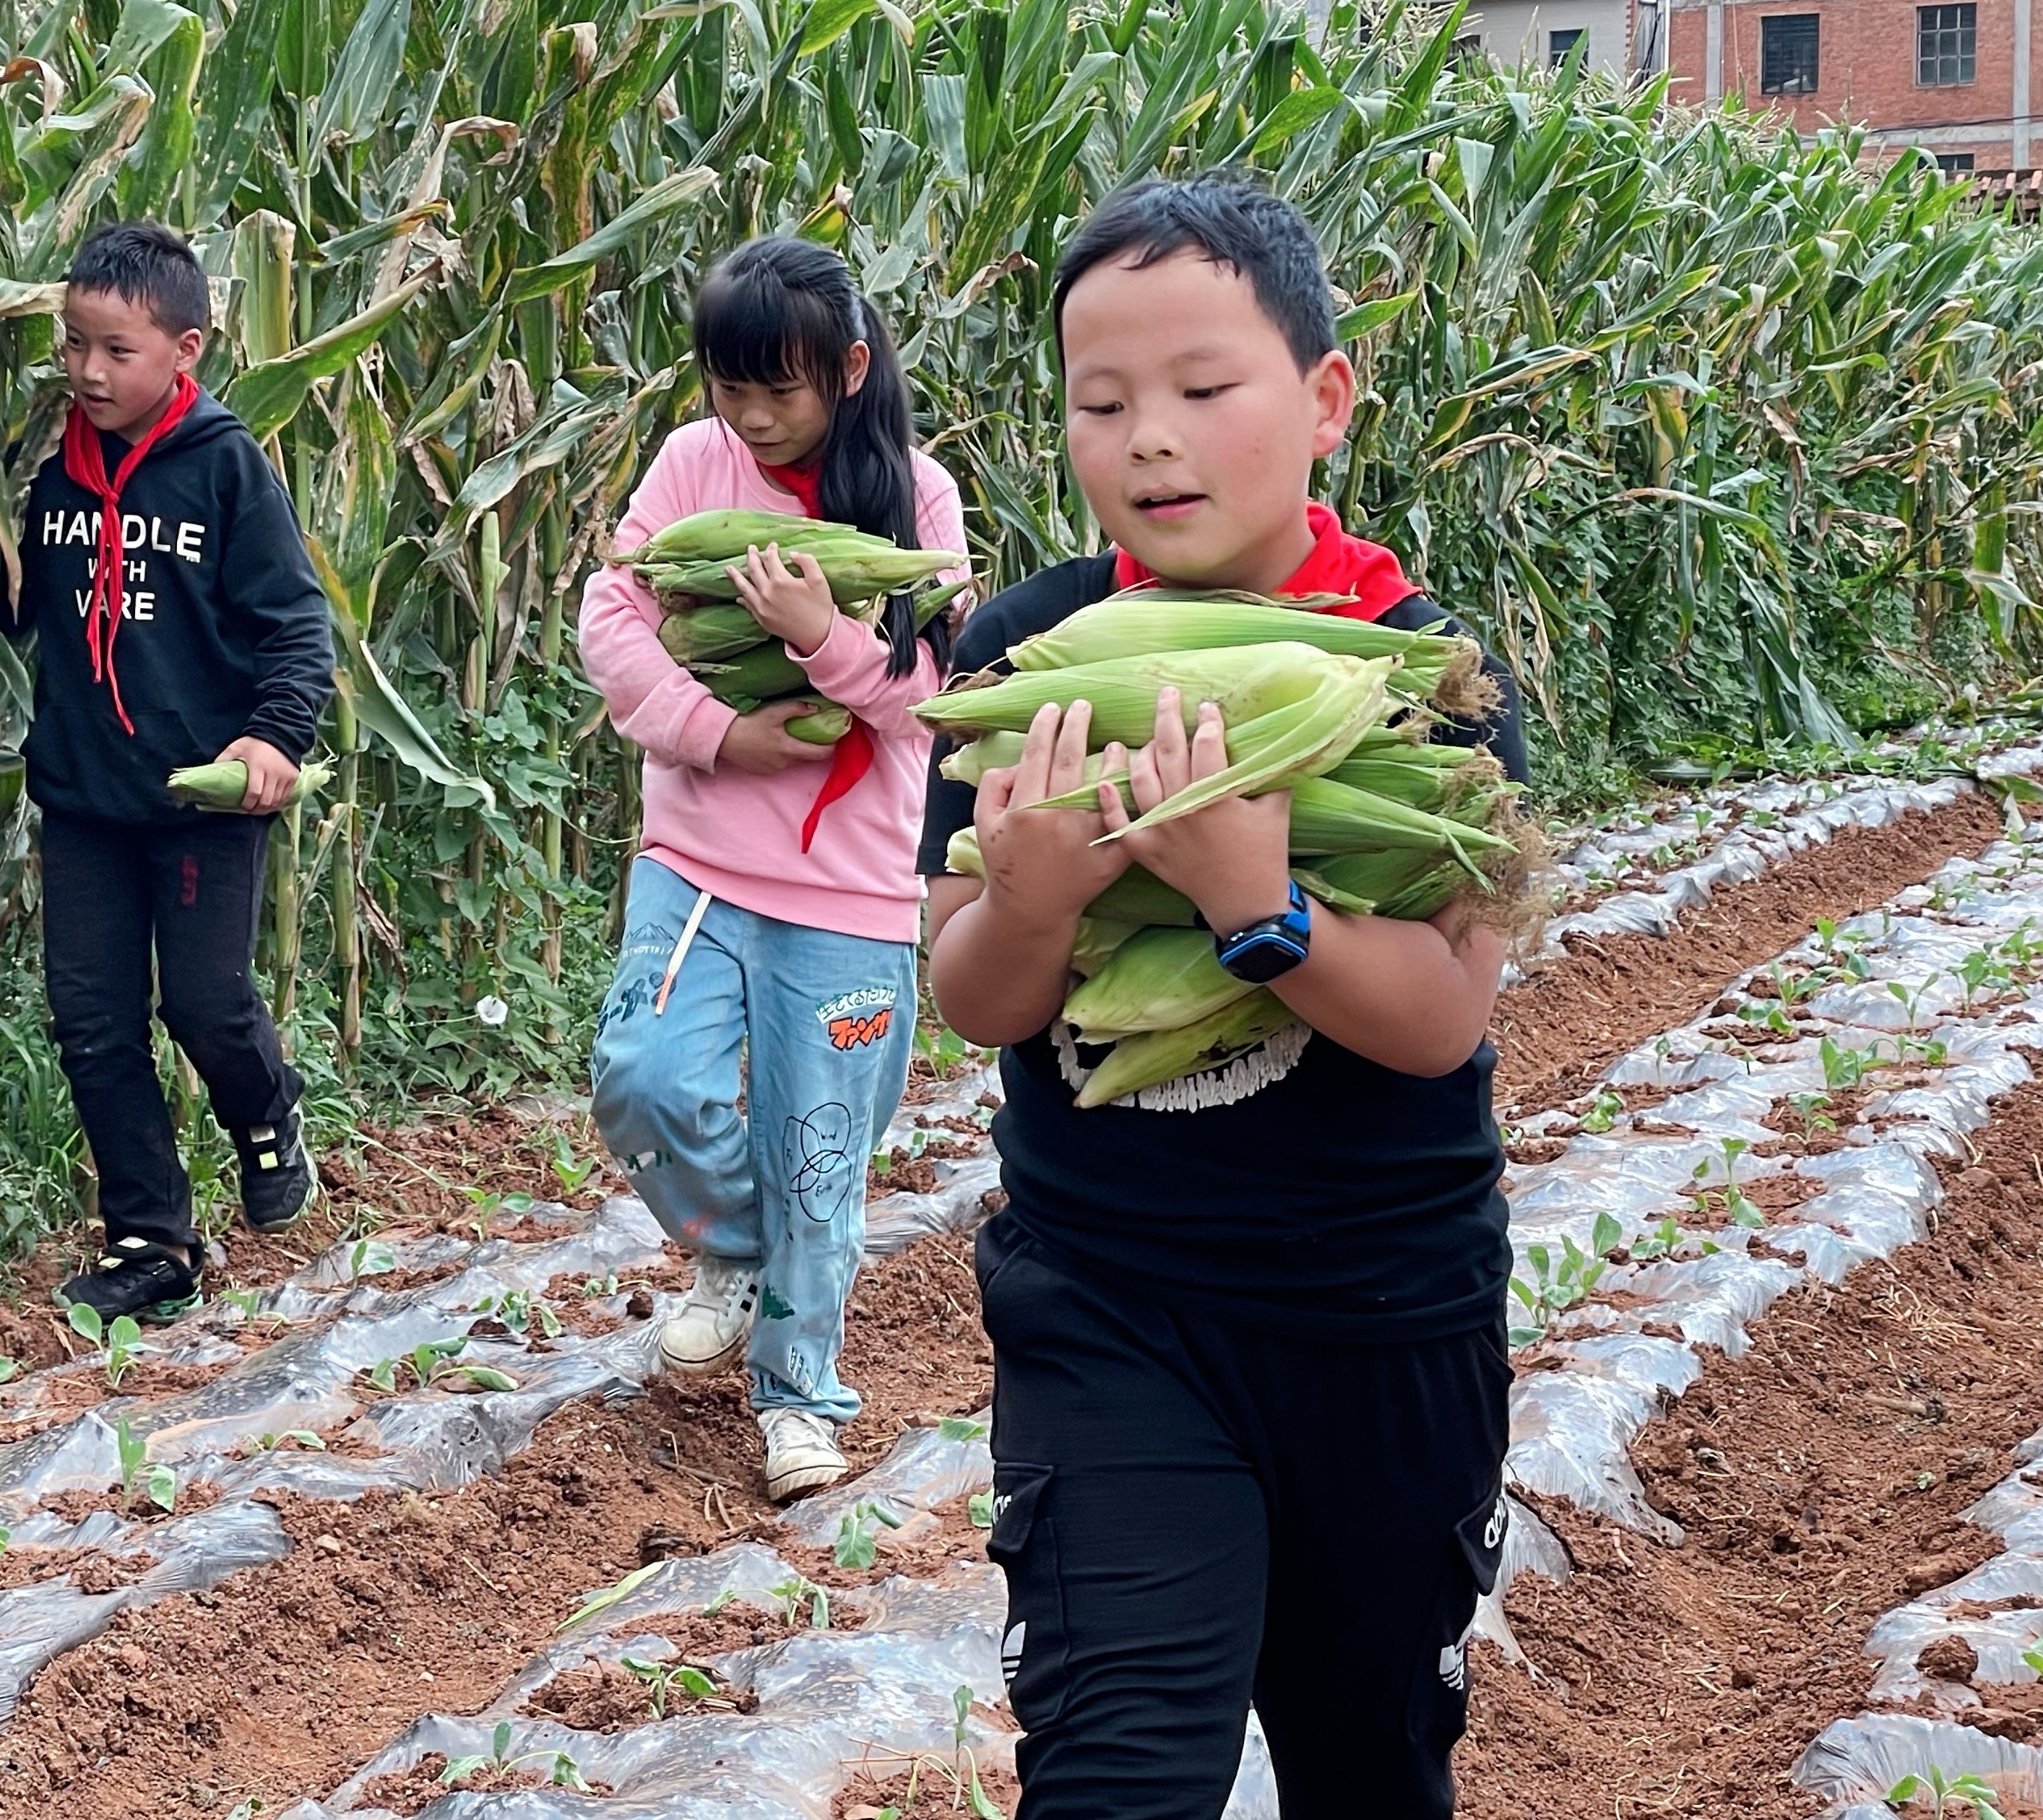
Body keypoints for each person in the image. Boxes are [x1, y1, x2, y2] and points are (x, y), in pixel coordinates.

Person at [920, 172, 1527, 1818]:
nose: (1149, 441)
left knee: (1371, 1774)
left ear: (1325, 400)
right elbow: (969, 991)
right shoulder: (1029, 656)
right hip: (1109, 1311)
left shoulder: (1420, 671)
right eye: (1101, 403)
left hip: (1382, 1321)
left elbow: (1439, 1020)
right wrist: (1035, 900)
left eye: (1203, 390)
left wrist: (1255, 908)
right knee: (1114, 1778)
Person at [580, 238, 969, 1502]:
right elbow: (617, 609)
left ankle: (801, 1400)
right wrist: (718, 735)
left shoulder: (919, 501)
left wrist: (825, 641)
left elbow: (931, 703)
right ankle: (734, 1256)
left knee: (818, 1157)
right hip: (697, 853)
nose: (750, 418)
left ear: (849, 370)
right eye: (728, 388)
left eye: (780, 392)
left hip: (849, 891)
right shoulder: (696, 465)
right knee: (641, 1078)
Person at [8, 221, 334, 1325]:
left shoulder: (225, 468)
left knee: (203, 1003)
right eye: (74, 346)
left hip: (203, 794)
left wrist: (276, 740)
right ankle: (152, 1240)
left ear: (185, 349)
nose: (90, 371)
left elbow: (294, 620)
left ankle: (267, 1113)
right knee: (91, 1021)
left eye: (118, 351)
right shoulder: (45, 467)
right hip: (84, 798)